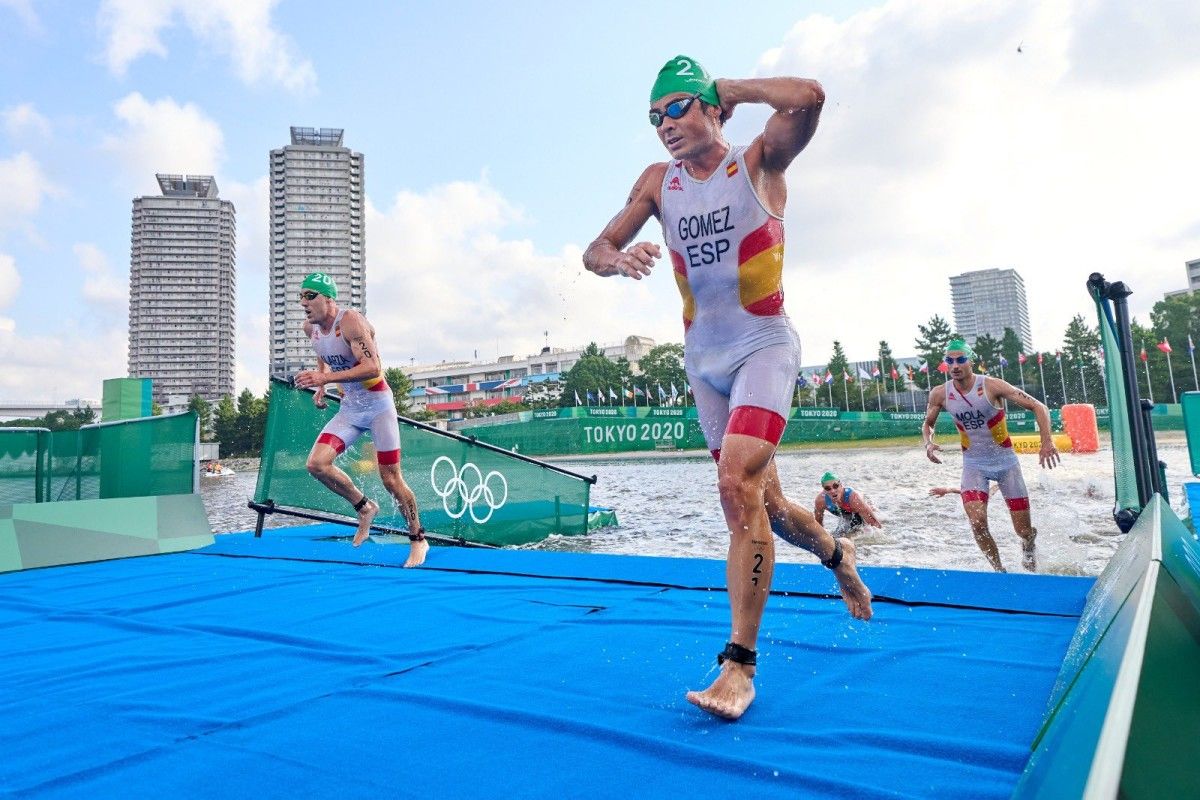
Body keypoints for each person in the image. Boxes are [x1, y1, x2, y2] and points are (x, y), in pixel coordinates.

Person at [583, 55, 872, 721]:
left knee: (733, 483)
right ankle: (836, 551)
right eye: (654, 116)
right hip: (703, 360)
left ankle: (738, 665)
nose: (664, 124)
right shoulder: (659, 183)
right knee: (762, 508)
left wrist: (732, 90)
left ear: (713, 107)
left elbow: (810, 96)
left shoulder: (760, 162)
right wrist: (615, 260)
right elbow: (595, 247)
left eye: (677, 107)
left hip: (763, 345)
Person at [292, 272, 428, 568]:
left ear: (328, 298)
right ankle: (364, 507)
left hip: (378, 405)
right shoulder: (310, 328)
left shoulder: (350, 321)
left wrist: (325, 377)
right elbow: (323, 353)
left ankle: (418, 538)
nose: (303, 302)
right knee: (316, 464)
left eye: (309, 296)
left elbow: (372, 367)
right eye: (300, 296)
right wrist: (321, 386)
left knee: (391, 479)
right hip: (350, 409)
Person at [922, 338, 1060, 572]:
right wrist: (928, 443)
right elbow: (928, 424)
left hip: (1006, 464)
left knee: (1023, 530)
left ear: (971, 361)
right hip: (974, 464)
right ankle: (999, 570)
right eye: (950, 361)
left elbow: (1039, 406)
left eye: (961, 360)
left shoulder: (992, 386)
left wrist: (1046, 441)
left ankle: (1028, 545)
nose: (955, 365)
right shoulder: (940, 394)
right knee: (977, 522)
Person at [814, 472, 881, 535]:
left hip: (859, 510)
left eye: (835, 486)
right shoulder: (820, 501)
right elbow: (818, 525)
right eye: (828, 488)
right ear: (824, 490)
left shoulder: (853, 499)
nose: (832, 491)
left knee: (860, 531)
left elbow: (875, 525)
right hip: (846, 515)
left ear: (841, 485)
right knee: (838, 534)